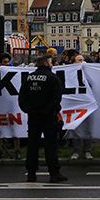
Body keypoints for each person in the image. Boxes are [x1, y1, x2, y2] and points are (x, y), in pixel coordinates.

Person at [18, 55, 67, 183]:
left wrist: (29, 110)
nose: (52, 64)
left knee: (33, 145)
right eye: (51, 62)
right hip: (48, 116)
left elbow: (22, 97)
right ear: (46, 63)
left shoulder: (29, 78)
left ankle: (31, 173)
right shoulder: (52, 78)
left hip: (33, 117)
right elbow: (56, 98)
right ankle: (54, 173)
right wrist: (49, 111)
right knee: (51, 145)